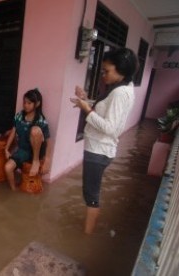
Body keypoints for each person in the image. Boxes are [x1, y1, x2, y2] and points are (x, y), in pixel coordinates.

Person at [70, 47, 138, 234]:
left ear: (121, 70)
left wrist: (86, 109)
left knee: (91, 194)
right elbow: (106, 111)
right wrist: (86, 100)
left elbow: (111, 128)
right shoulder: (121, 89)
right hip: (100, 150)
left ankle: (87, 236)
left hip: (98, 151)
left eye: (107, 71)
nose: (103, 75)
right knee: (90, 191)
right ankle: (88, 230)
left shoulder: (119, 93)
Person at [4, 88, 51, 191]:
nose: (25, 105)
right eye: (24, 102)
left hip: (36, 153)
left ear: (37, 104)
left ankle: (35, 161)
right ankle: (13, 190)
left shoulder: (41, 120)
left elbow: (48, 140)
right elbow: (13, 132)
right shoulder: (19, 116)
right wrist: (6, 149)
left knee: (35, 130)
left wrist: (47, 160)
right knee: (7, 168)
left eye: (29, 103)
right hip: (23, 151)